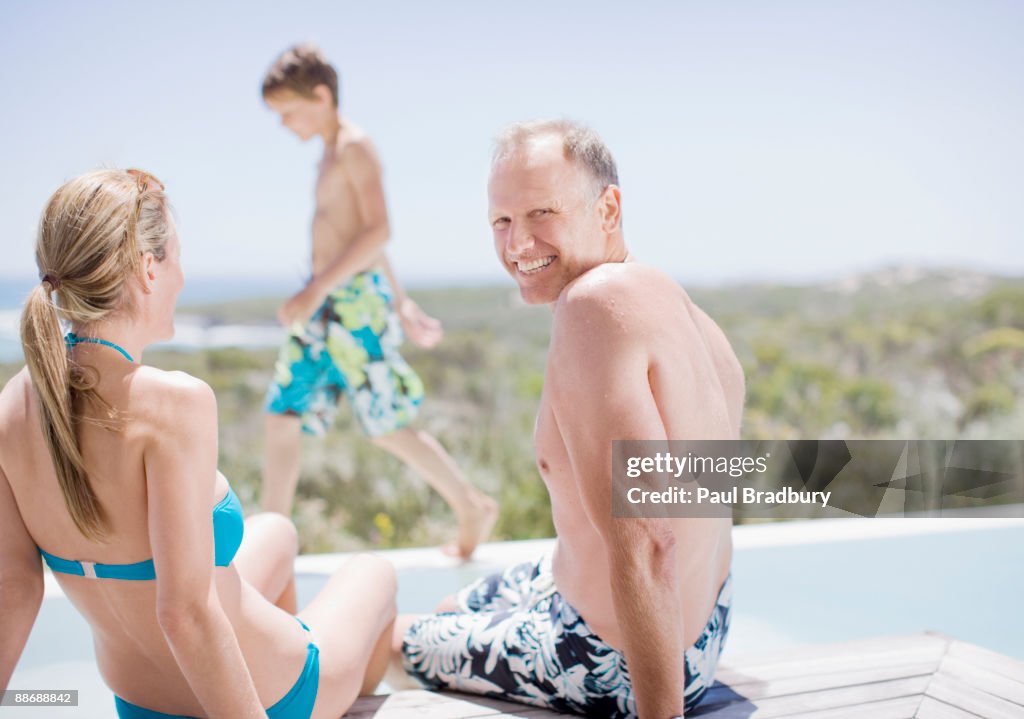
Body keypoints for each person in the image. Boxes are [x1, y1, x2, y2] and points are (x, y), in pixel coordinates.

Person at [0, 169, 397, 718]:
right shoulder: (174, 403)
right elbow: (183, 613)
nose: (182, 277)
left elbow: (14, 586)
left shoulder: (15, 403)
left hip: (139, 703)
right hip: (266, 698)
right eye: (175, 258)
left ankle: (276, 639)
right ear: (147, 268)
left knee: (276, 531)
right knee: (373, 574)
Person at [391, 120, 745, 718]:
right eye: (502, 222)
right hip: (702, 629)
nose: (518, 245)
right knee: (450, 611)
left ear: (608, 207)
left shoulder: (593, 306)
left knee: (385, 635)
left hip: (615, 661)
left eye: (541, 214)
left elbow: (652, 539)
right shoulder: (679, 307)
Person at [259, 44, 497, 558]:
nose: (284, 125)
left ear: (321, 96)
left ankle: (470, 504)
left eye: (288, 111)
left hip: (350, 303)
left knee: (385, 424)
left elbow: (379, 229)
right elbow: (365, 236)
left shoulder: (355, 146)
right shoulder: (326, 154)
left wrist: (322, 289)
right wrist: (403, 302)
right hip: (325, 304)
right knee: (283, 414)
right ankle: (271, 542)